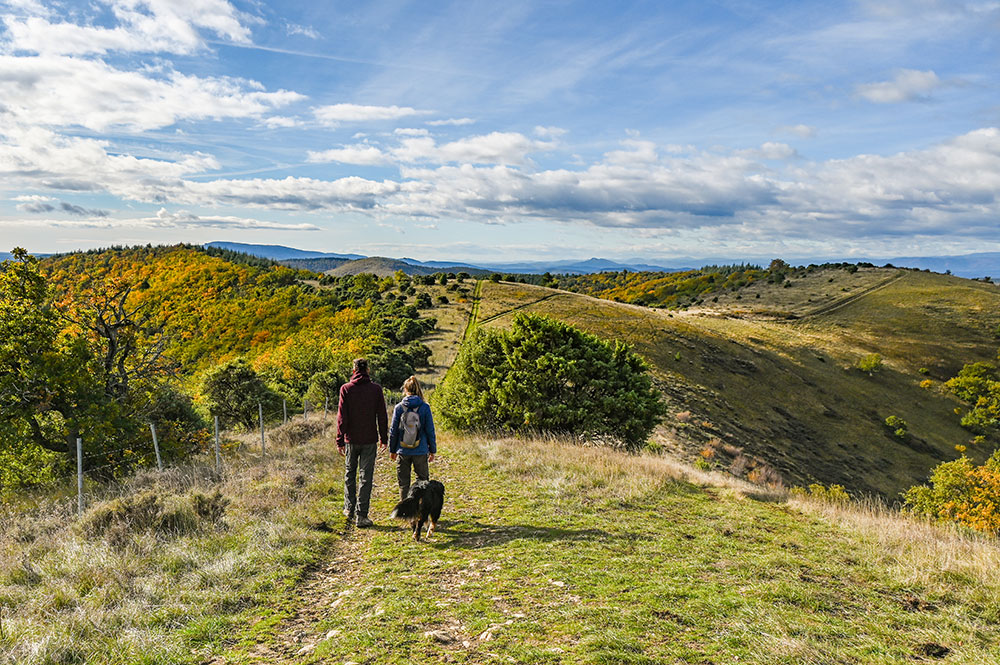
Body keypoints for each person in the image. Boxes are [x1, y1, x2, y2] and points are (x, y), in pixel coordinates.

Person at [336, 358, 388, 527]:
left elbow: (342, 417)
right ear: (368, 370)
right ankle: (362, 515)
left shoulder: (346, 389)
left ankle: (349, 508)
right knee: (366, 477)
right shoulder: (376, 389)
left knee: (350, 473)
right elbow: (382, 415)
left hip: (351, 439)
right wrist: (384, 438)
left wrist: (340, 439)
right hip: (369, 439)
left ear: (354, 370)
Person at [388, 375, 437, 501]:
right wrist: (432, 450)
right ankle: (421, 509)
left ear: (405, 390)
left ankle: (406, 512)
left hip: (403, 449)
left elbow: (393, 431)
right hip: (420, 449)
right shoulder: (425, 407)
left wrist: (392, 450)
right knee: (423, 482)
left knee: (404, 483)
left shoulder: (399, 407)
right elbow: (430, 430)